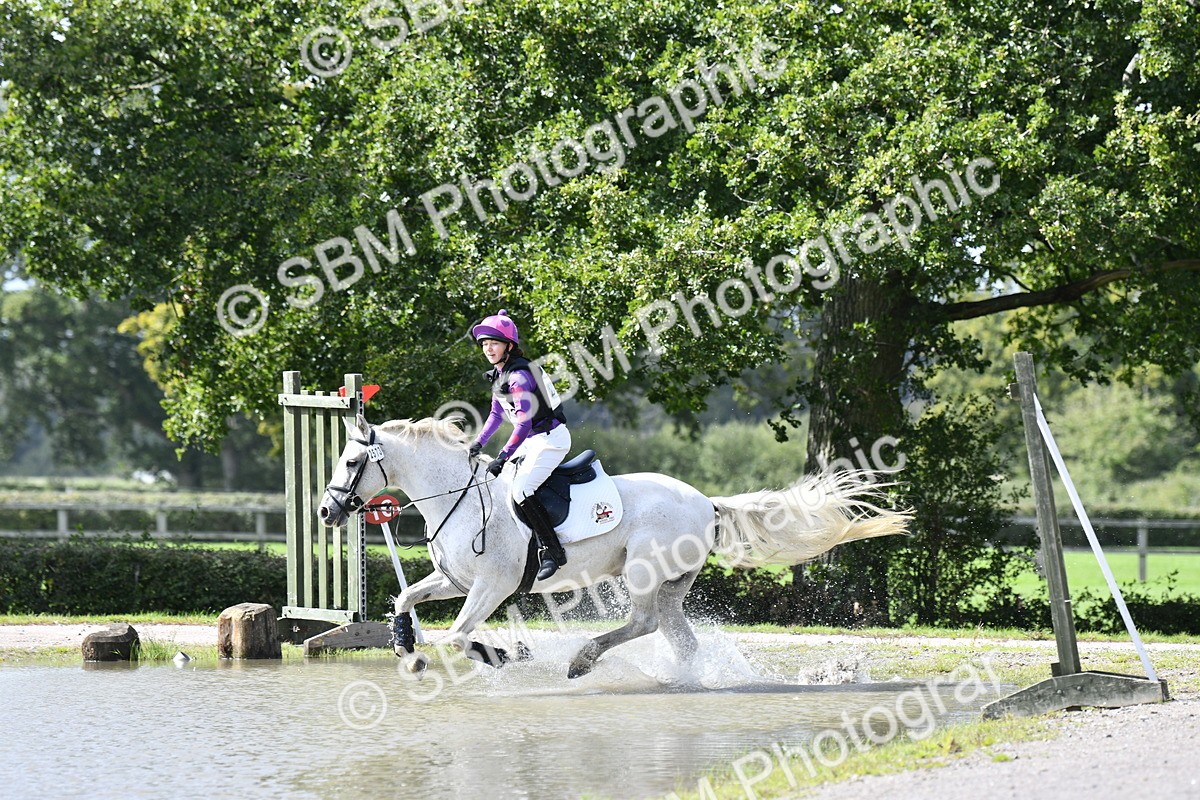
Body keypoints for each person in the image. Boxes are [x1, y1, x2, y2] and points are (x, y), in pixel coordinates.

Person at [468, 310, 571, 580]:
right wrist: (477, 443)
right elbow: (495, 414)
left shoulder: (519, 377)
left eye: (494, 343)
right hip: (532, 441)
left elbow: (523, 425)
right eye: (484, 344)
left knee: (522, 491)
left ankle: (553, 551)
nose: (488, 348)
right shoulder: (500, 374)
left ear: (509, 346)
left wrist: (502, 456)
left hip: (550, 441)